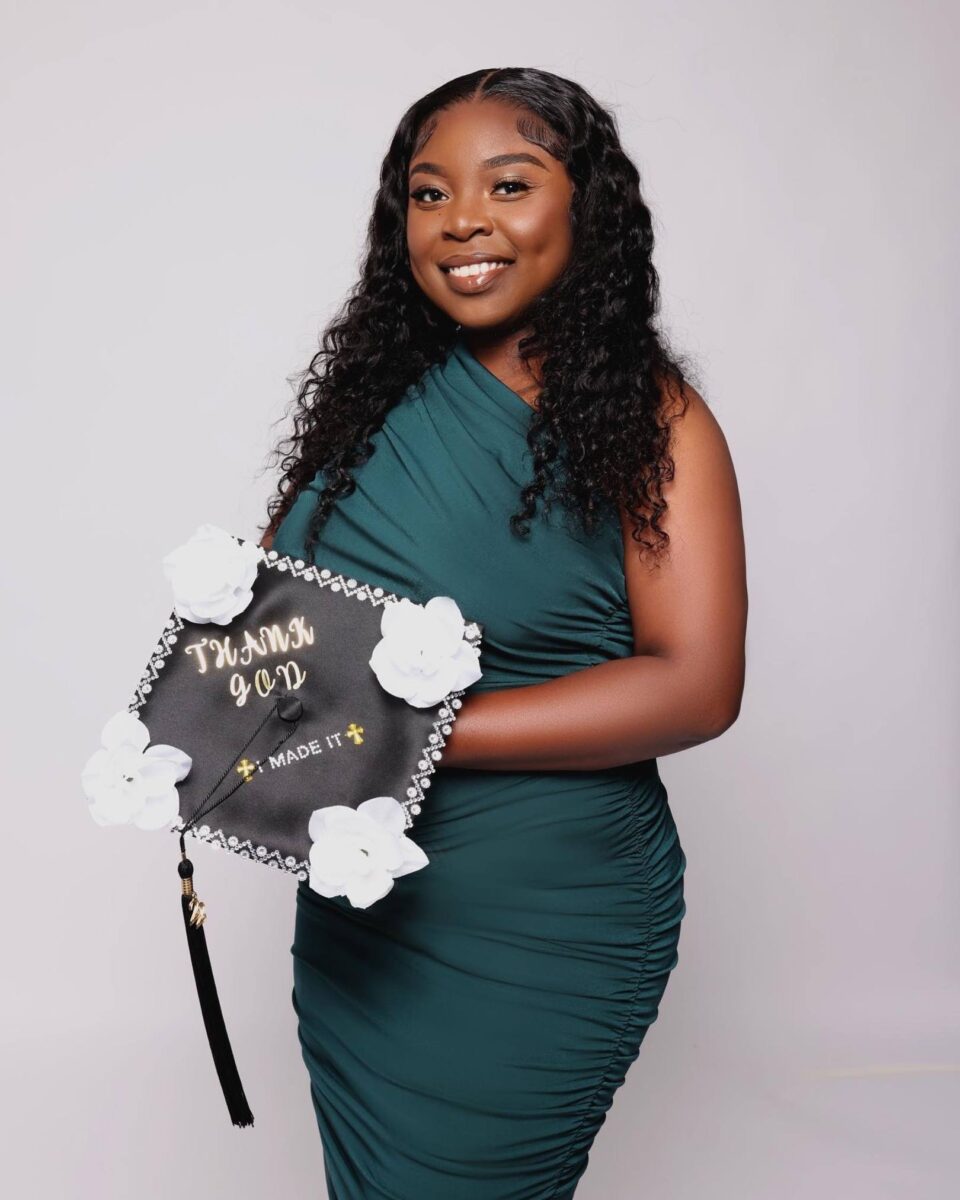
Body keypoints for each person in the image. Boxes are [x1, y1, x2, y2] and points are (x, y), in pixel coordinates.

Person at [260, 66, 747, 1200]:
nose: (464, 221)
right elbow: (300, 646)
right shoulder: (374, 404)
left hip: (545, 913)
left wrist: (408, 731)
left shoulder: (655, 422)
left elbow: (698, 686)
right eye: (428, 196)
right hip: (366, 918)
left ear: (587, 209)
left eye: (510, 183)